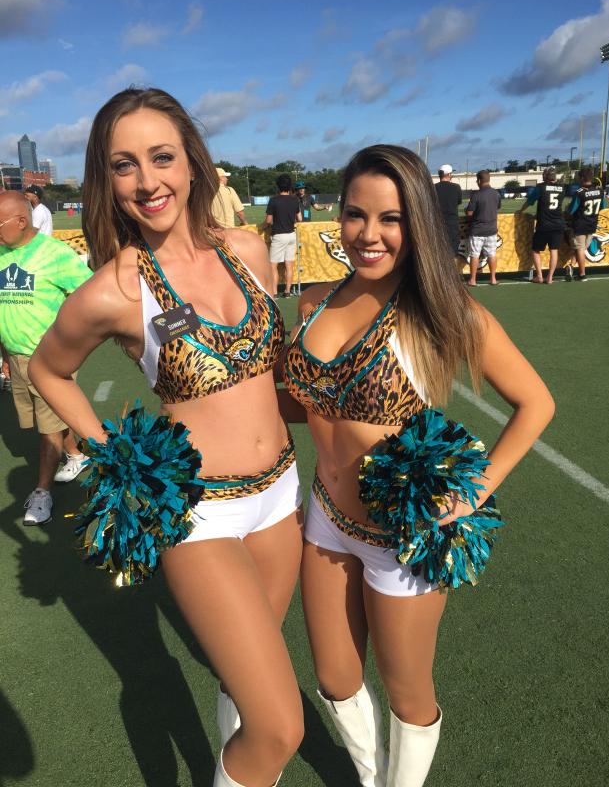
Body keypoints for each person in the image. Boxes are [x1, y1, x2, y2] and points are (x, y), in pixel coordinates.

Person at [28, 88, 304, 787]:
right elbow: (47, 369)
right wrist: (112, 454)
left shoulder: (247, 250)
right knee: (281, 727)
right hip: (198, 512)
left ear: (191, 162)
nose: (147, 181)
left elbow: (274, 374)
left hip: (282, 495)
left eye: (161, 157)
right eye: (124, 165)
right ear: (107, 180)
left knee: (244, 685)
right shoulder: (115, 289)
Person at [283, 144, 555, 787]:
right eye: (356, 214)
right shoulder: (313, 302)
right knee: (335, 678)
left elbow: (536, 403)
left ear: (418, 225)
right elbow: (306, 404)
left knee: (407, 692)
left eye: (391, 219)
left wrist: (473, 493)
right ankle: (368, 774)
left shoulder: (441, 311)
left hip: (403, 535)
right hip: (326, 517)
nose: (369, 234)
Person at [0, 191, 91, 525]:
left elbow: (88, 298)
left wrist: (67, 344)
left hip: (48, 361)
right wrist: (5, 356)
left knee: (47, 430)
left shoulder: (56, 254)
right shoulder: (1, 253)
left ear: (21, 221)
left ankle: (42, 492)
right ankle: (77, 454)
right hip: (16, 357)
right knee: (46, 420)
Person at [518, 167, 565, 284]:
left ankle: (539, 275)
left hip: (544, 224)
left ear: (545, 176)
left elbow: (530, 201)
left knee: (535, 250)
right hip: (558, 223)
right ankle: (550, 277)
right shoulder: (562, 188)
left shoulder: (541, 187)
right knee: (554, 250)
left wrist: (520, 210)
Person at [261, 174, 301, 298]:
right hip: (291, 235)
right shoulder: (295, 200)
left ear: (278, 186)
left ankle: (274, 292)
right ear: (290, 186)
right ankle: (287, 291)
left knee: (273, 266)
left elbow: (268, 221)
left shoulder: (273, 200)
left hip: (279, 236)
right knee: (289, 265)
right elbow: (299, 218)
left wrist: (260, 227)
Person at [565, 166, 606, 282]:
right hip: (592, 224)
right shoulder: (600, 191)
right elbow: (602, 207)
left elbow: (571, 210)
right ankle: (571, 266)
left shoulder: (580, 193)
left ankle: (582, 274)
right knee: (580, 249)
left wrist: (565, 212)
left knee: (579, 249)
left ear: (582, 178)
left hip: (580, 224)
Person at [465, 169, 501, 286]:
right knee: (492, 254)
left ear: (479, 181)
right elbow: (498, 207)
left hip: (477, 230)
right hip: (491, 230)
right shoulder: (496, 194)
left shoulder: (476, 195)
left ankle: (473, 280)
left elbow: (469, 213)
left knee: (474, 255)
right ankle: (493, 279)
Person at [433, 164, 462, 258]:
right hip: (452, 225)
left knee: (438, 252)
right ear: (449, 174)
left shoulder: (433, 187)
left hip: (437, 224)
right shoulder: (456, 187)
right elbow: (459, 202)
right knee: (452, 253)